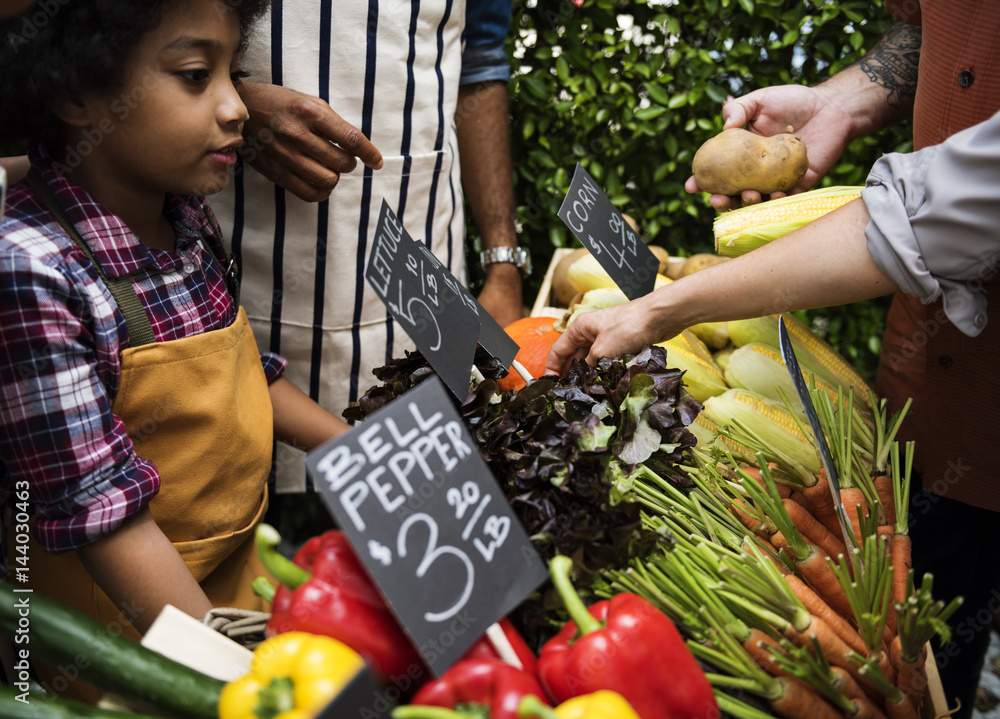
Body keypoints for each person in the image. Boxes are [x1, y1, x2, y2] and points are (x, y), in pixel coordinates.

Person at [552, 3, 1000, 713]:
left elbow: (925, 213)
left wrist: (662, 307)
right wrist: (839, 101)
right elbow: (943, 33)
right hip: (931, 390)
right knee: (921, 652)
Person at [0, 0, 354, 697]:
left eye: (234, 71)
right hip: (130, 651)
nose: (237, 108)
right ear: (78, 93)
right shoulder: (31, 271)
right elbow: (108, 523)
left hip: (238, 593)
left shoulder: (182, 216)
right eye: (196, 75)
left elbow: (243, 372)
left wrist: (365, 453)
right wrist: (245, 685)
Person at [211, 0, 526, 493]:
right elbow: (135, 37)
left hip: (425, 260)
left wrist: (502, 265)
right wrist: (234, 100)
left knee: (423, 506)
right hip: (243, 261)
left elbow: (481, 57)